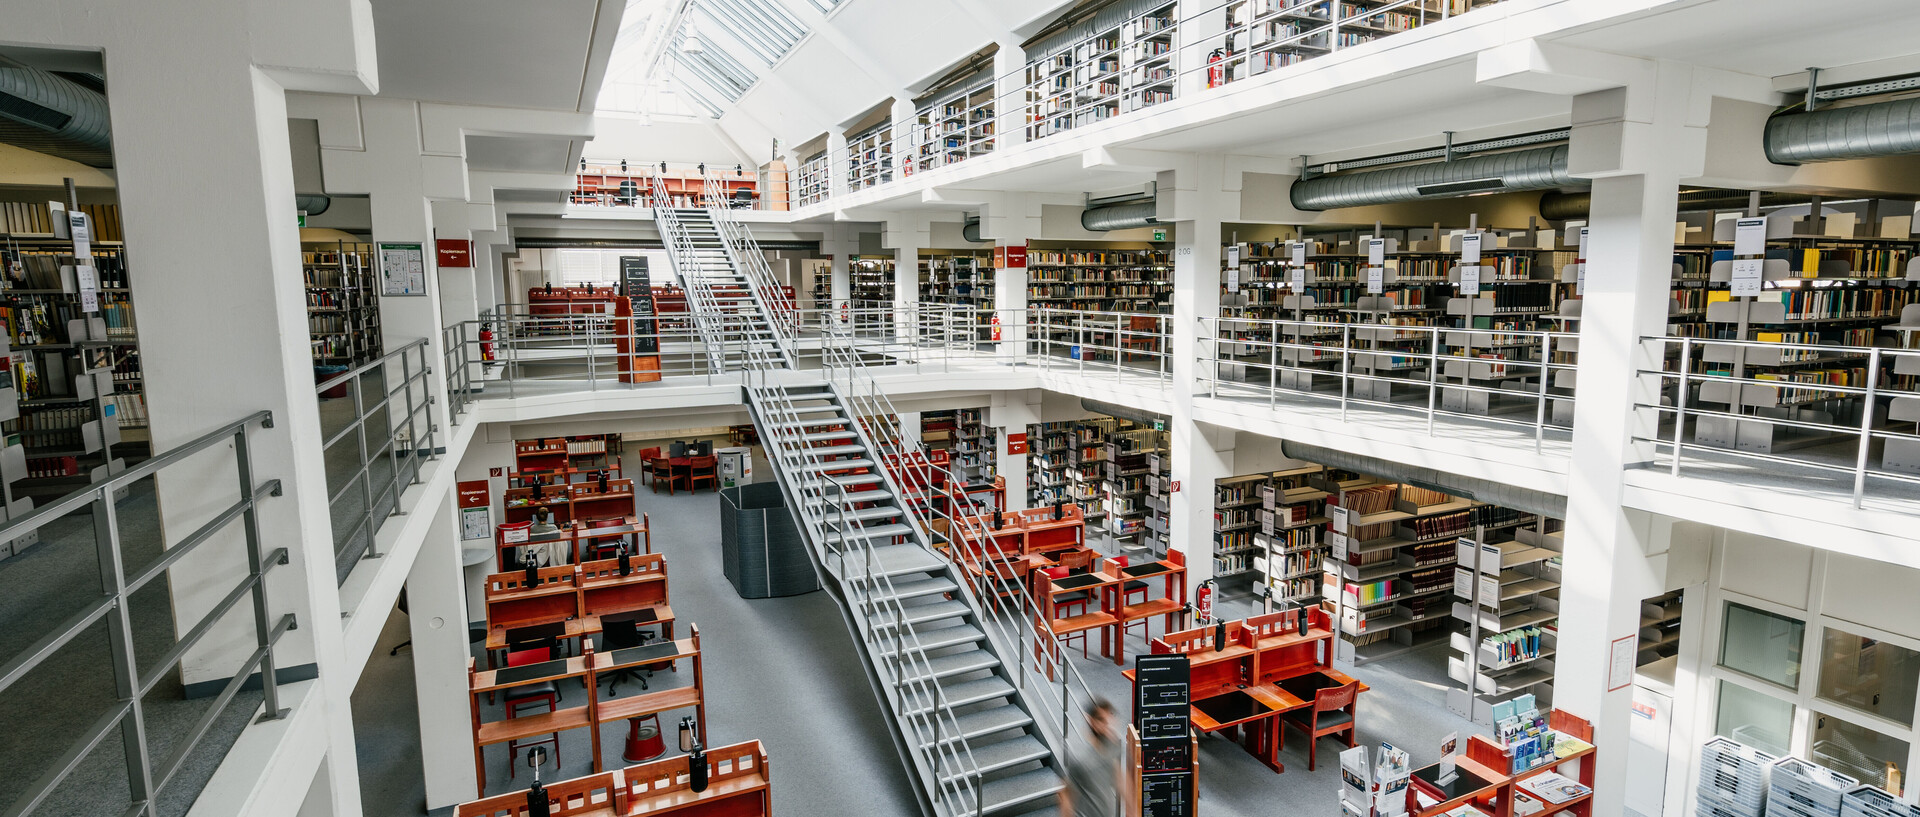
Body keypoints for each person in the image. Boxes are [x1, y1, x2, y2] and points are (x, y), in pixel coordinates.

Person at [1060, 698, 1125, 817]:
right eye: (1103, 721)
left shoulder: (1112, 745)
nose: (1108, 726)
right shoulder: (1078, 754)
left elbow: (1119, 778)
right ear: (1091, 721)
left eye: (1109, 720)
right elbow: (1066, 793)